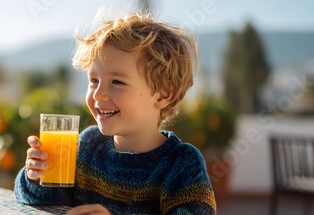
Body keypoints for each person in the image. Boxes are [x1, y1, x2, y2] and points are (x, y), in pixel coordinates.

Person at [14, 11, 217, 215]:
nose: (99, 94)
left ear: (163, 94)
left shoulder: (182, 164)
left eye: (117, 82)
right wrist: (37, 177)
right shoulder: (88, 146)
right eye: (94, 80)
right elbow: (50, 204)